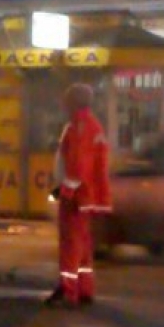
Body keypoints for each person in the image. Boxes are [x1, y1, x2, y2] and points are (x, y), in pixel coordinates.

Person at [45, 83, 112, 309]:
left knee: (70, 244)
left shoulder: (79, 126)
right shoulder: (92, 125)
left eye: (67, 100)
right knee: (82, 245)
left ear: (74, 102)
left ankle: (68, 290)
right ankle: (84, 288)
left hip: (76, 195)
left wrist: (67, 189)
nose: (64, 104)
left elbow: (78, 164)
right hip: (86, 195)